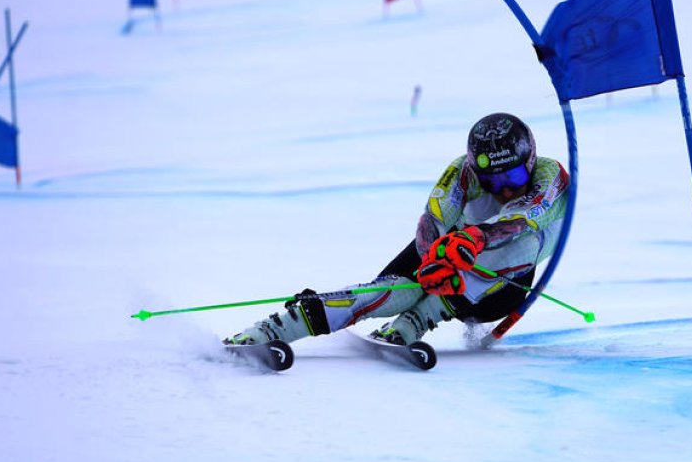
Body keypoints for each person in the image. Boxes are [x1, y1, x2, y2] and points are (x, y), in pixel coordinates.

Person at [224, 113, 570, 347]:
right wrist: (432, 257)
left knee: (523, 245)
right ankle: (281, 326)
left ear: (529, 162)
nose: (504, 189)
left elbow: (518, 220)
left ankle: (419, 318)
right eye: (491, 181)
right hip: (455, 254)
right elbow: (432, 220)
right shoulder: (462, 172)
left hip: (500, 290)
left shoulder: (549, 175)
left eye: (513, 177)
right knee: (394, 290)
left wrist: (472, 239)